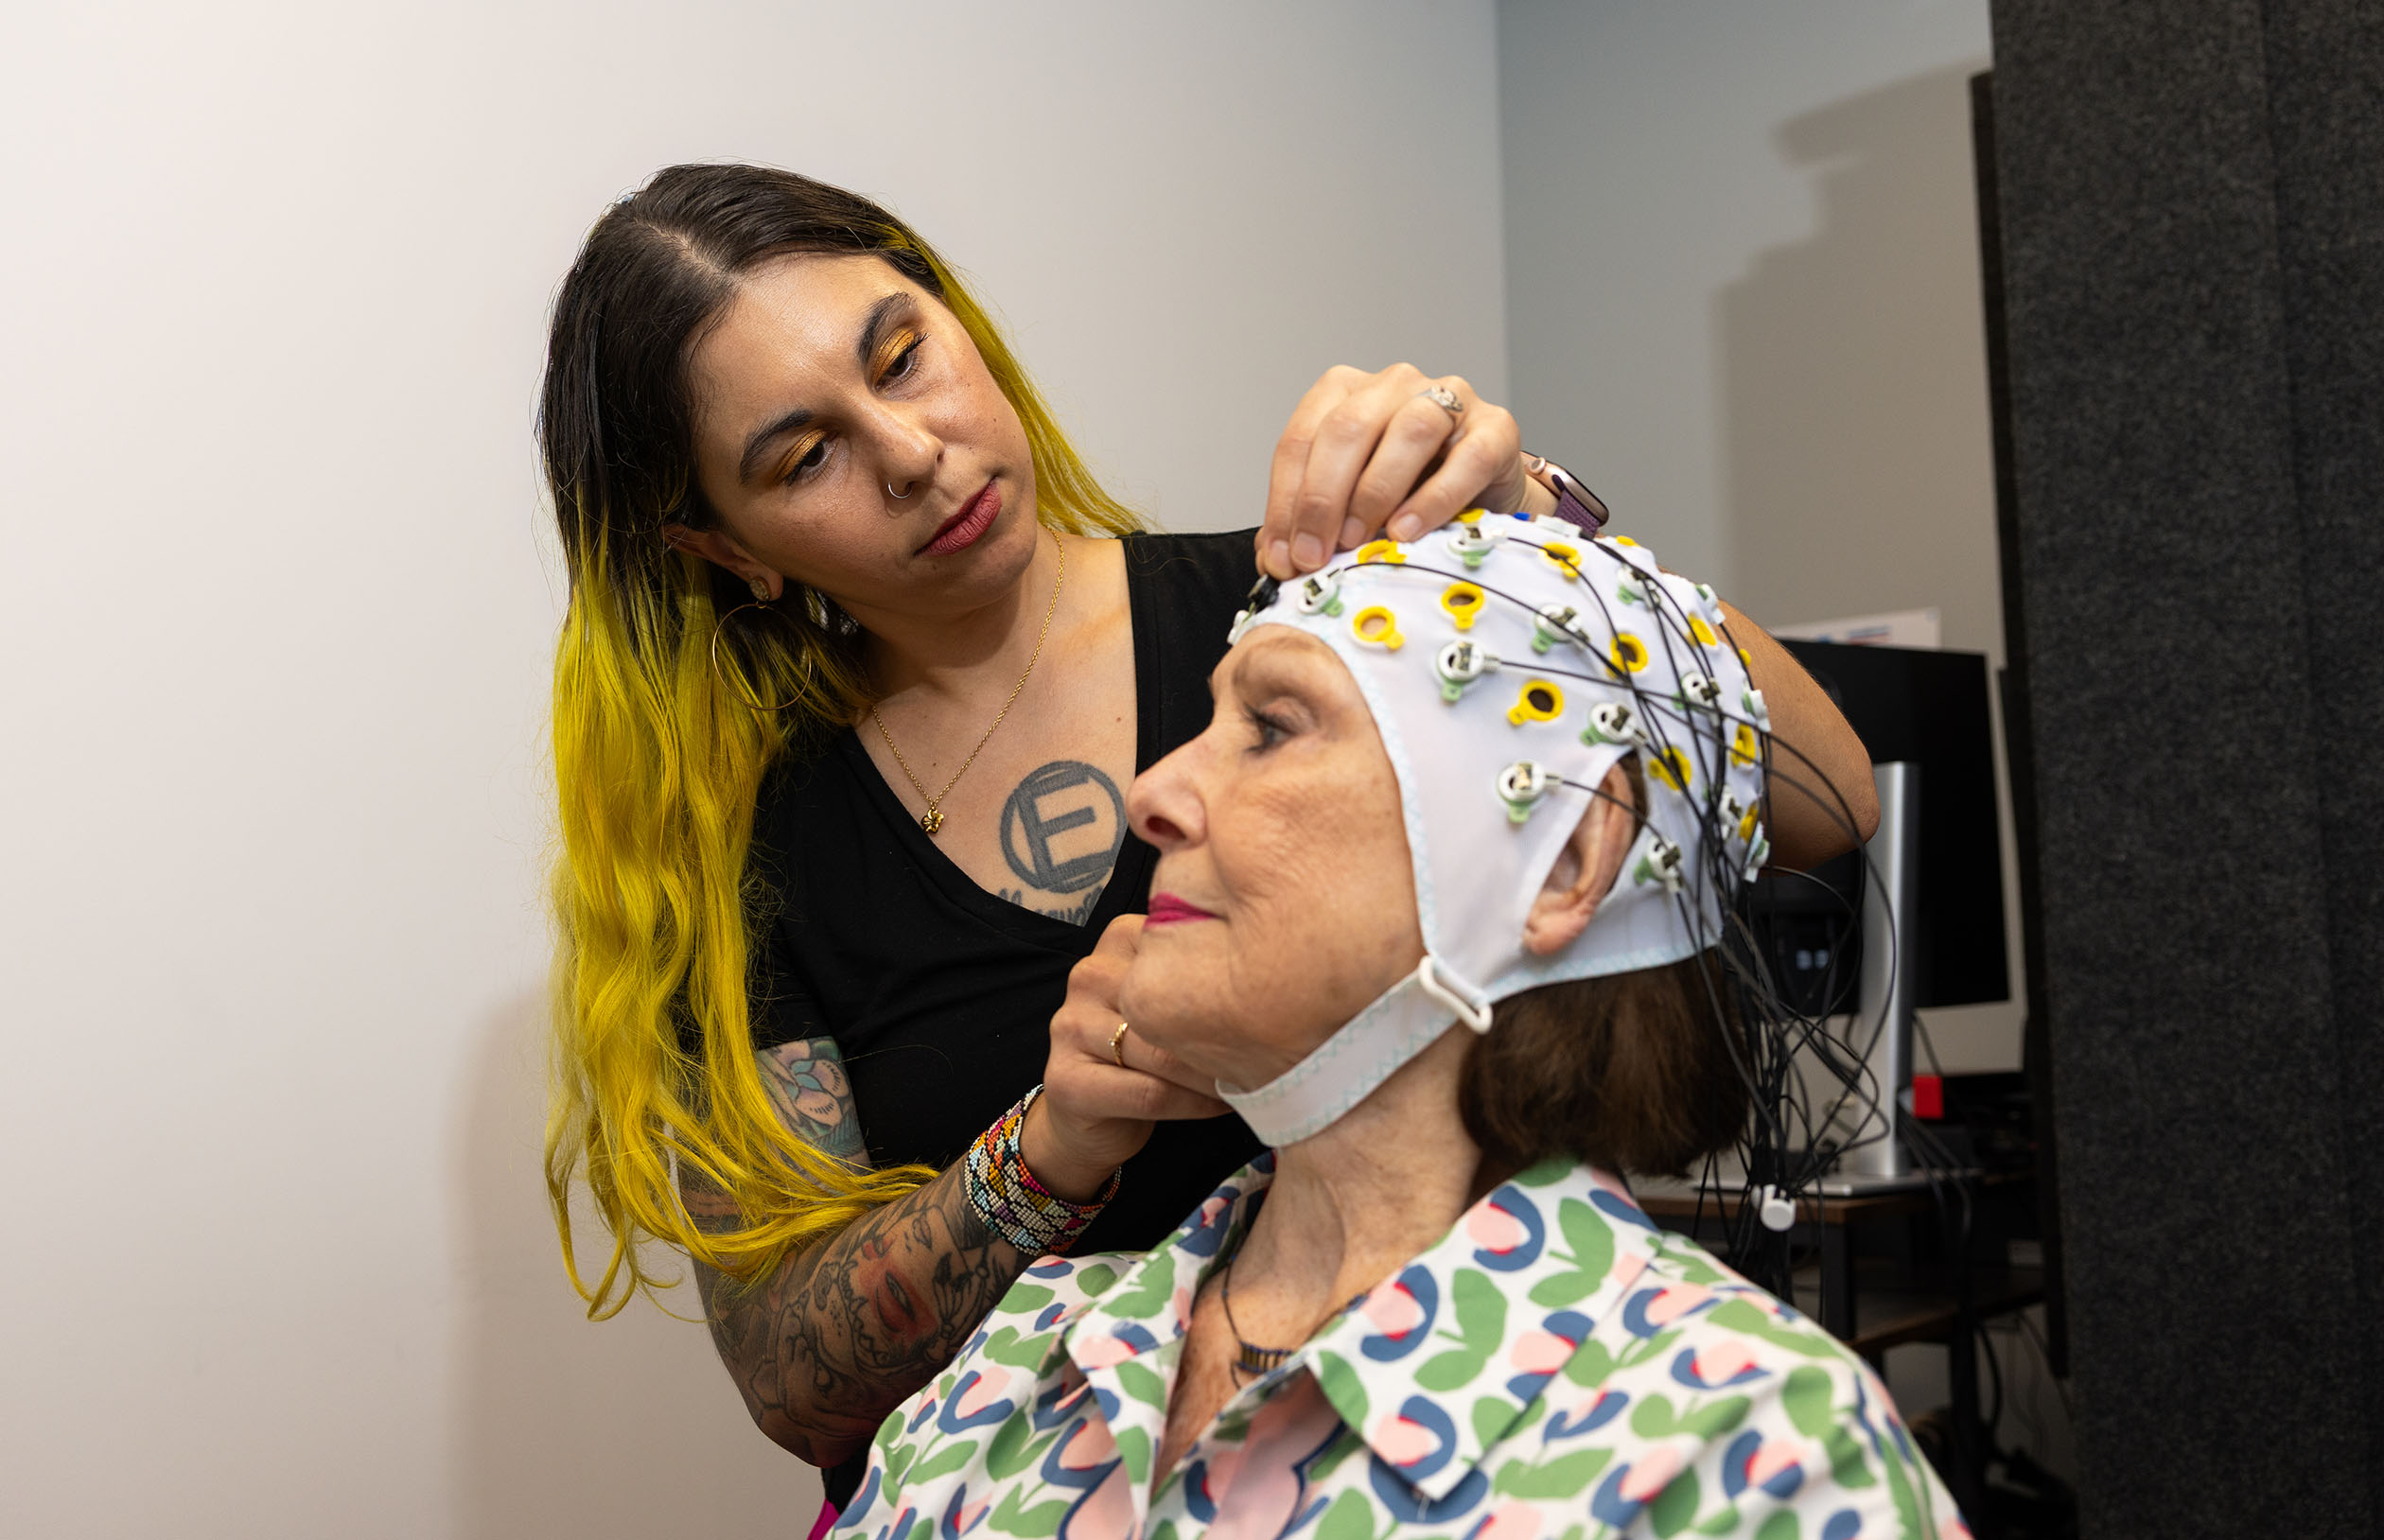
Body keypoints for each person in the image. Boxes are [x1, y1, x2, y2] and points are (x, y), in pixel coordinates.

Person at [533, 162, 1883, 1516]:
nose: (913, 453)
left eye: (902, 355)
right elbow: (794, 1384)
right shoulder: (753, 856)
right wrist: (1049, 1147)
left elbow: (1818, 800)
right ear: (723, 546)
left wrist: (1531, 519)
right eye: (806, 455)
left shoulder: (1314, 609)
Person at [832, 527, 1963, 1540]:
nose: (1155, 795)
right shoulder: (1021, 1366)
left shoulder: (1750, 1450)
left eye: (1270, 728)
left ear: (1567, 856)